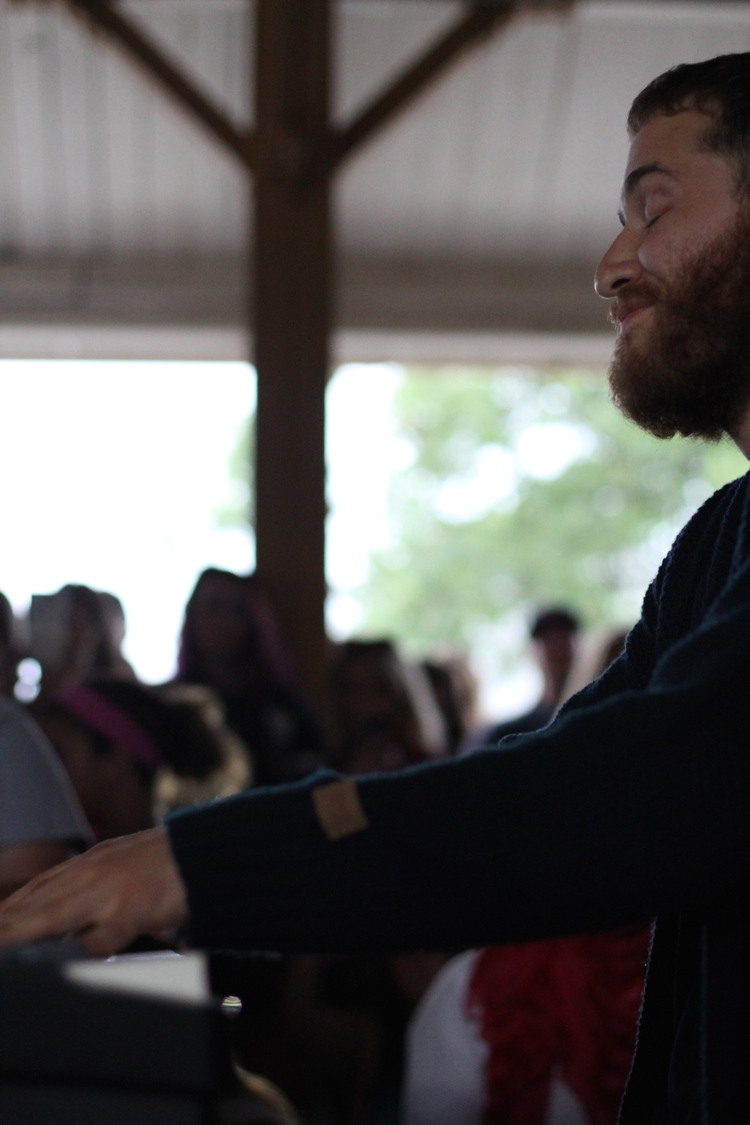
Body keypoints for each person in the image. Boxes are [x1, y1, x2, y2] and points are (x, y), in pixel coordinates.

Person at [5, 51, 750, 1123]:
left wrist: (203, 864)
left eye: (653, 208)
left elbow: (624, 790)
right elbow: (540, 777)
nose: (611, 263)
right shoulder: (724, 535)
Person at [175, 568, 323, 786]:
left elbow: (315, 761)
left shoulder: (278, 700)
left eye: (236, 609)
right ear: (192, 614)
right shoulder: (176, 704)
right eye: (214, 606)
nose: (224, 620)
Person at [481, 607, 580, 745]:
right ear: (531, 651)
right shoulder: (507, 733)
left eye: (564, 637)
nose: (557, 647)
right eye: (547, 640)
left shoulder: (597, 716)